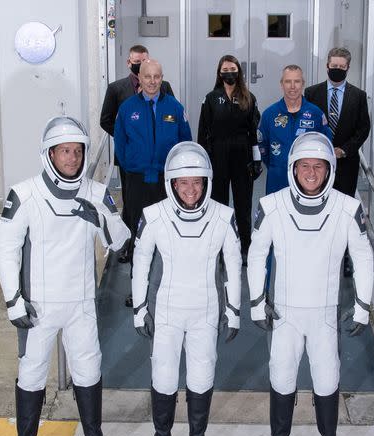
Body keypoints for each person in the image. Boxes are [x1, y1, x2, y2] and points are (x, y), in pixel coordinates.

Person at [0, 116, 130, 436]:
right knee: (31, 373)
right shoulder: (24, 194)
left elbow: (120, 240)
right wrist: (13, 301)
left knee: (89, 368)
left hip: (81, 303)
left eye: (77, 151)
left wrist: (100, 217)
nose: (71, 158)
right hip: (37, 306)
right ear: (49, 154)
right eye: (64, 151)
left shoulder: (97, 192)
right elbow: (5, 249)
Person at [247, 132, 374, 436]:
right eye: (305, 165)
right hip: (285, 312)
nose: (312, 172)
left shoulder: (347, 208)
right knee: (282, 374)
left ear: (330, 168)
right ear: (293, 168)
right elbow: (256, 254)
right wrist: (257, 302)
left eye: (319, 166)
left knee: (327, 377)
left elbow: (363, 257)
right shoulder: (271, 205)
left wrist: (363, 305)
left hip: (323, 314)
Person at [132, 142, 242, 436]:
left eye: (197, 182)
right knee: (163, 374)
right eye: (183, 182)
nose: (191, 189)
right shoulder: (153, 216)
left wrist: (233, 311)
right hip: (165, 311)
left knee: (202, 373)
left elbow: (234, 265)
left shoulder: (224, 216)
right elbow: (140, 263)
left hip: (205, 311)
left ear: (206, 182)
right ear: (172, 183)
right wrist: (139, 309)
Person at [114, 59, 192, 305]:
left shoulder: (175, 108)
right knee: (139, 236)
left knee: (169, 235)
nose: (152, 81)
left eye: (157, 77)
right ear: (140, 78)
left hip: (165, 183)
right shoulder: (127, 109)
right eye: (147, 77)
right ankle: (138, 290)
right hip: (137, 182)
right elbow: (120, 144)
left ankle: (168, 287)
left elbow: (185, 142)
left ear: (162, 78)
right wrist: (133, 165)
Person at [99, 44, 174, 263]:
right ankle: (130, 247)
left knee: (160, 204)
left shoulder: (166, 87)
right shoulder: (116, 89)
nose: (151, 80)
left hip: (159, 164)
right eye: (137, 62)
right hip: (130, 161)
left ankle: (159, 247)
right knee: (131, 205)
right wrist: (131, 142)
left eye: (144, 60)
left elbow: (172, 119)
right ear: (130, 63)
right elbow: (106, 120)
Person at [305, 48, 371, 277]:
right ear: (327, 65)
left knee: (342, 211)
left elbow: (364, 128)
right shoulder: (311, 93)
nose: (337, 70)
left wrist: (344, 150)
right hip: (317, 164)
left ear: (348, 69)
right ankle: (316, 255)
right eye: (334, 65)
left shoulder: (358, 96)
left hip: (346, 163)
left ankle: (343, 257)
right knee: (316, 208)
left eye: (342, 67)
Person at [198, 55, 261, 265]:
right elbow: (202, 133)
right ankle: (219, 246)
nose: (229, 73)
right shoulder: (210, 98)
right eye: (225, 69)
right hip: (218, 156)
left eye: (232, 69)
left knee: (243, 205)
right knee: (219, 204)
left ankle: (244, 246)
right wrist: (204, 163)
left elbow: (254, 132)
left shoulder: (248, 98)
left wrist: (257, 158)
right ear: (219, 73)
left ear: (238, 72)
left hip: (242, 156)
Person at [258, 65, 331, 195]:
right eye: (288, 81)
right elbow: (263, 148)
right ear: (282, 84)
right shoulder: (269, 114)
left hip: (308, 180)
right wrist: (278, 165)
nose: (292, 86)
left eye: (297, 81)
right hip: (277, 179)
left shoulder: (316, 114)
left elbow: (326, 143)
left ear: (302, 84)